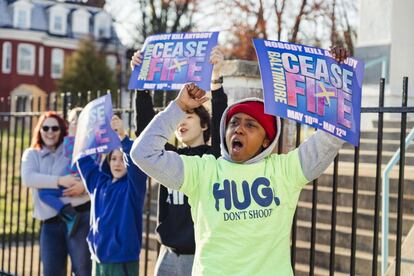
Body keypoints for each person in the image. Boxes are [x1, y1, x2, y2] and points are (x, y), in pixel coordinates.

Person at [131, 48, 349, 275]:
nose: (239, 129)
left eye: (250, 125)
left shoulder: (285, 170)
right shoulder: (203, 169)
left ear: (266, 141)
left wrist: (338, 75)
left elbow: (332, 134)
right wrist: (180, 107)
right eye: (234, 123)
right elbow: (143, 154)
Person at [131, 47, 227, 275]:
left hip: (198, 257)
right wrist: (141, 81)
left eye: (189, 115)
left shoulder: (213, 157)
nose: (181, 121)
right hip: (167, 255)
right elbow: (146, 129)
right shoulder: (170, 157)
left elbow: (221, 126)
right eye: (180, 116)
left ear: (204, 125)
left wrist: (216, 80)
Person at [21, 111, 91, 276]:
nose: (50, 132)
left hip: (80, 220)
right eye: (46, 128)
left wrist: (84, 186)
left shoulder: (70, 149)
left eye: (55, 128)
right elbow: (29, 178)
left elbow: (89, 173)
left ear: (62, 130)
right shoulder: (32, 154)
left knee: (83, 270)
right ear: (39, 130)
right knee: (52, 271)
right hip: (50, 224)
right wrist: (60, 180)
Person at [76, 115, 148, 276]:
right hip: (98, 259)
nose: (117, 163)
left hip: (122, 260)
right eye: (113, 158)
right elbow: (83, 158)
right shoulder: (98, 183)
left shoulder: (132, 187)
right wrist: (88, 132)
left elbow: (135, 166)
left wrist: (123, 137)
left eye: (122, 159)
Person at [36, 107, 84, 237]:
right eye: (72, 121)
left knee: (44, 194)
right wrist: (72, 136)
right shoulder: (69, 141)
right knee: (44, 193)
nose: (74, 124)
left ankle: (69, 214)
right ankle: (69, 214)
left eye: (77, 121)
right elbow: (68, 154)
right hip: (69, 180)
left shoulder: (88, 141)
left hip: (78, 179)